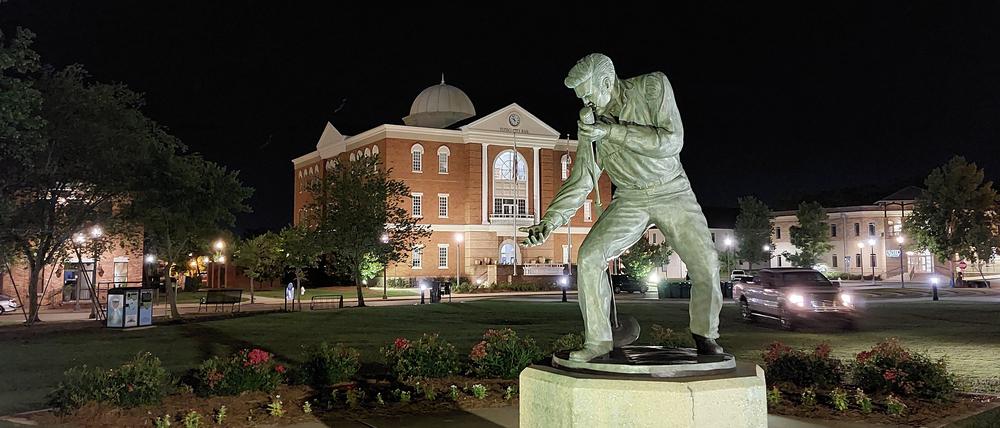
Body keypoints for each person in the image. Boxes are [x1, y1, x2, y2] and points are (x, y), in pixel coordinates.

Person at [521, 53, 723, 361]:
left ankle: (705, 335)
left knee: (706, 262)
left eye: (588, 95)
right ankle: (598, 342)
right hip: (629, 199)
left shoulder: (652, 87)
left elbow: (672, 142)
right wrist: (550, 220)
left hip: (672, 191)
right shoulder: (591, 123)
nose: (586, 103)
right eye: (581, 98)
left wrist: (612, 132)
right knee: (589, 257)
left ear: (606, 82)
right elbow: (583, 179)